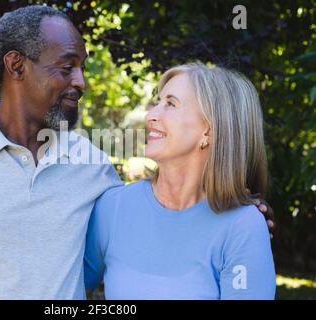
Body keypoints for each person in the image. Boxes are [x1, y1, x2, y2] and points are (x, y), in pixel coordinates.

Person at [0, 6, 273, 299]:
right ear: (16, 66)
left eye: (82, 67)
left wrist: (242, 218)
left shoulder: (97, 171)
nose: (80, 81)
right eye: (67, 67)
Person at [84, 63, 276, 299]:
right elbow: (65, 288)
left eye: (170, 104)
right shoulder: (112, 208)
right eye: (157, 102)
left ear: (208, 130)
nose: (150, 115)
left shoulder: (243, 226)